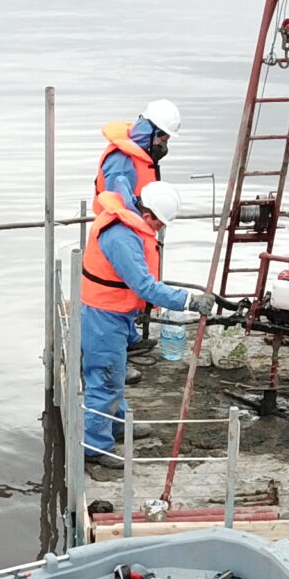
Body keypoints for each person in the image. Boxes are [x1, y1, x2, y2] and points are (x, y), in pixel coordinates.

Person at [80, 180, 203, 465]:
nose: (158, 229)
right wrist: (189, 300)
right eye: (158, 224)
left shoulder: (126, 219)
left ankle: (117, 423)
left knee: (114, 373)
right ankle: (94, 447)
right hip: (104, 316)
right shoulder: (121, 236)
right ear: (146, 215)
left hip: (114, 312)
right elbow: (144, 286)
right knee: (105, 380)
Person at [92, 98, 181, 210]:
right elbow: (117, 209)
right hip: (123, 226)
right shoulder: (120, 163)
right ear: (151, 133)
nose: (164, 146)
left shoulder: (140, 151)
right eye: (163, 139)